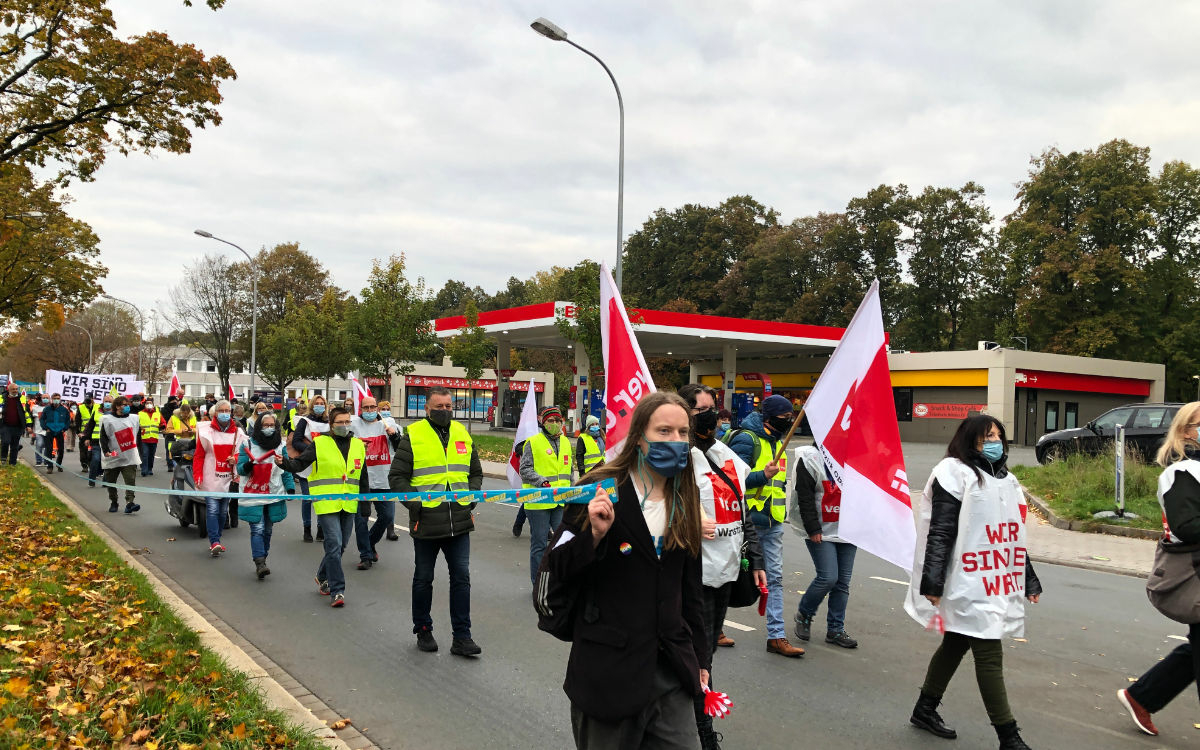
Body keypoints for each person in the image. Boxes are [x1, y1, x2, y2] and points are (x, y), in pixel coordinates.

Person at [540, 391, 708, 749]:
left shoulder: (686, 494)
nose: (676, 441)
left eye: (683, 433)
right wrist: (595, 536)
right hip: (608, 673)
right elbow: (557, 566)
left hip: (671, 671)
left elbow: (690, 588)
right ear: (639, 437)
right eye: (664, 431)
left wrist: (699, 659)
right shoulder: (599, 487)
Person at [904, 415, 1041, 750]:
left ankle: (925, 709)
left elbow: (1007, 538)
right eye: (986, 437)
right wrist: (933, 584)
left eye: (998, 436)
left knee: (955, 643)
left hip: (992, 579)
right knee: (989, 652)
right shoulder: (954, 474)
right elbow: (941, 531)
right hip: (964, 581)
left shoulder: (1006, 480)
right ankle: (1009, 736)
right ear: (969, 440)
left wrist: (1028, 579)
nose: (994, 442)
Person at [680, 384, 765, 750]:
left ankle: (693, 722)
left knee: (705, 656)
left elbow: (742, 509)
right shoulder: (676, 460)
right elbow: (653, 511)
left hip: (725, 573)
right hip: (691, 575)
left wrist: (756, 558)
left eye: (713, 408)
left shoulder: (725, 454)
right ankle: (703, 733)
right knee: (699, 658)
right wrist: (687, 523)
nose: (710, 416)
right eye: (701, 410)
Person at [1116, 403, 1200, 737]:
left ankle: (1143, 696)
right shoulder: (1181, 473)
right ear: (1185, 432)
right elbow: (1188, 525)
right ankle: (1142, 697)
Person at [388, 385, 483, 656]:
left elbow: (475, 472)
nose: (445, 411)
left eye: (449, 407)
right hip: (426, 521)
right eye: (439, 407)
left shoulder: (462, 432)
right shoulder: (414, 435)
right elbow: (397, 478)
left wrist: (472, 495)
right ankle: (423, 629)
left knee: (461, 580)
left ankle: (462, 637)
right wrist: (415, 505)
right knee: (423, 579)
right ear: (427, 409)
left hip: (459, 521)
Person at [727, 394, 803, 658]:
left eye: (790, 417)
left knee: (776, 579)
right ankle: (714, 627)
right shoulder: (746, 439)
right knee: (726, 574)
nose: (788, 421)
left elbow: (779, 486)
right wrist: (762, 476)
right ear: (769, 418)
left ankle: (776, 636)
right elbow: (730, 481)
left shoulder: (778, 441)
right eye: (784, 418)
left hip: (773, 522)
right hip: (747, 523)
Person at [282, 407, 368, 608]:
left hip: (349, 503)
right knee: (334, 544)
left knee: (341, 545)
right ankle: (337, 590)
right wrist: (283, 463)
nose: (345, 426)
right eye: (340, 422)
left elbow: (363, 478)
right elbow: (300, 464)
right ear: (331, 424)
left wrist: (365, 506)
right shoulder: (319, 443)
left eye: (347, 422)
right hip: (327, 503)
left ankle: (322, 575)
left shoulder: (358, 445)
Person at [791, 443, 859, 649]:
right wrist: (813, 529)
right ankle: (804, 613)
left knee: (842, 583)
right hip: (821, 530)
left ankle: (836, 629)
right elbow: (804, 496)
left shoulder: (857, 457)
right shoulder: (810, 458)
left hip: (848, 531)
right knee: (828, 577)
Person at [520, 406, 574, 586]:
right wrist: (542, 482)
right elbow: (524, 469)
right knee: (540, 544)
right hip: (538, 503)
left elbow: (569, 472)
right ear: (543, 422)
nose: (555, 424)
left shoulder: (566, 442)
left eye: (558, 421)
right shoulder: (533, 442)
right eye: (551, 421)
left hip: (560, 501)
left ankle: (558, 580)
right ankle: (538, 583)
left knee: (563, 542)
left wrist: (572, 493)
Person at [236, 412, 293, 580]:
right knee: (257, 528)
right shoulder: (247, 444)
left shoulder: (280, 446)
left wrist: (290, 489)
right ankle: (259, 562)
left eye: (271, 425)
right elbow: (240, 469)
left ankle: (263, 558)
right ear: (258, 426)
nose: (268, 428)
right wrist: (247, 465)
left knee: (267, 530)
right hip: (253, 493)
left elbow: (286, 469)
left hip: (273, 493)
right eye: (265, 425)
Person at [351, 396, 402, 570]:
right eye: (367, 408)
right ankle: (365, 555)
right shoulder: (353, 425)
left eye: (373, 407)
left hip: (383, 479)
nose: (370, 411)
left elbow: (399, 447)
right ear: (361, 409)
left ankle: (370, 541)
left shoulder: (387, 424)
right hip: (361, 481)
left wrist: (394, 436)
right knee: (360, 520)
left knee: (387, 516)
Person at [194, 399, 247, 557]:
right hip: (211, 477)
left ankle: (217, 539)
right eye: (221, 411)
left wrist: (236, 458)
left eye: (227, 411)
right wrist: (198, 474)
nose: (225, 413)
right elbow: (199, 455)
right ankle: (214, 542)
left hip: (227, 478)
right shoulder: (206, 432)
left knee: (223, 512)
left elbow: (244, 452)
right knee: (212, 510)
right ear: (215, 413)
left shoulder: (238, 432)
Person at [290, 395, 329, 543]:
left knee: (321, 499)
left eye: (322, 403)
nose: (319, 405)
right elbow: (296, 441)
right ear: (312, 405)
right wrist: (312, 450)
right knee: (307, 499)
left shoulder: (329, 422)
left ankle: (320, 528)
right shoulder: (304, 421)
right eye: (317, 403)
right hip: (307, 465)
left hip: (323, 465)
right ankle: (307, 528)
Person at [99, 396, 142, 514]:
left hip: (129, 456)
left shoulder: (134, 418)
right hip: (113, 455)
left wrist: (139, 450)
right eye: (124, 404)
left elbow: (137, 435)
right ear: (117, 406)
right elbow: (103, 437)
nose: (127, 406)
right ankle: (114, 501)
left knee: (130, 481)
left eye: (127, 404)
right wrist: (106, 450)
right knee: (111, 481)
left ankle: (130, 503)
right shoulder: (107, 420)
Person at [378, 400, 402, 541]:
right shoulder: (374, 425)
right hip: (375, 465)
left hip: (390, 464)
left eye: (388, 408)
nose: (386, 410)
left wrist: (394, 435)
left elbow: (399, 446)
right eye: (383, 409)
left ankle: (390, 528)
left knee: (389, 498)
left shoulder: (396, 426)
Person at [83, 395, 113, 486]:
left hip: (109, 442)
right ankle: (92, 480)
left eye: (110, 401)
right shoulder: (97, 411)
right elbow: (90, 425)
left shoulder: (115, 413)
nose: (108, 403)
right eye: (106, 401)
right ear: (103, 402)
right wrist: (87, 438)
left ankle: (105, 481)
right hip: (96, 440)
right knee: (95, 460)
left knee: (108, 461)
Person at [0, 382, 32, 465]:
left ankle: (12, 463)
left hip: (18, 426)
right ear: (8, 389)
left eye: (16, 389)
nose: (15, 391)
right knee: (5, 441)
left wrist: (28, 425)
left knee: (15, 446)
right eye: (13, 389)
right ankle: (3, 458)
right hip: (5, 425)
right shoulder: (2, 398)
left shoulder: (22, 399)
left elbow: (27, 413)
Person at [40, 393, 72, 473]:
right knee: (49, 449)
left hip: (60, 431)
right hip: (50, 431)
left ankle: (59, 464)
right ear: (52, 399)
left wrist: (64, 429)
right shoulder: (47, 409)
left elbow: (68, 420)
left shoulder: (64, 409)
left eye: (58, 398)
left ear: (60, 399)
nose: (56, 400)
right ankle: (49, 466)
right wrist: (45, 428)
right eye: (55, 398)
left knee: (61, 449)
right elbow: (42, 419)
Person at [137, 397, 164, 477]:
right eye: (147, 403)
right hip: (144, 438)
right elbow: (135, 423)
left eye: (150, 403)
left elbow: (163, 422)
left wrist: (162, 426)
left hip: (154, 438)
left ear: (153, 405)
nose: (149, 405)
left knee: (151, 455)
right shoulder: (140, 413)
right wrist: (138, 427)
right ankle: (144, 470)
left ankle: (150, 469)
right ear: (145, 405)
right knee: (145, 454)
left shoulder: (157, 414)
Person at [75, 395, 95, 469]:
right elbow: (77, 421)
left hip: (94, 432)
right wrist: (78, 432)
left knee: (94, 450)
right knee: (83, 450)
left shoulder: (97, 407)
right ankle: (84, 465)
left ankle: (92, 465)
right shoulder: (81, 407)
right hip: (84, 433)